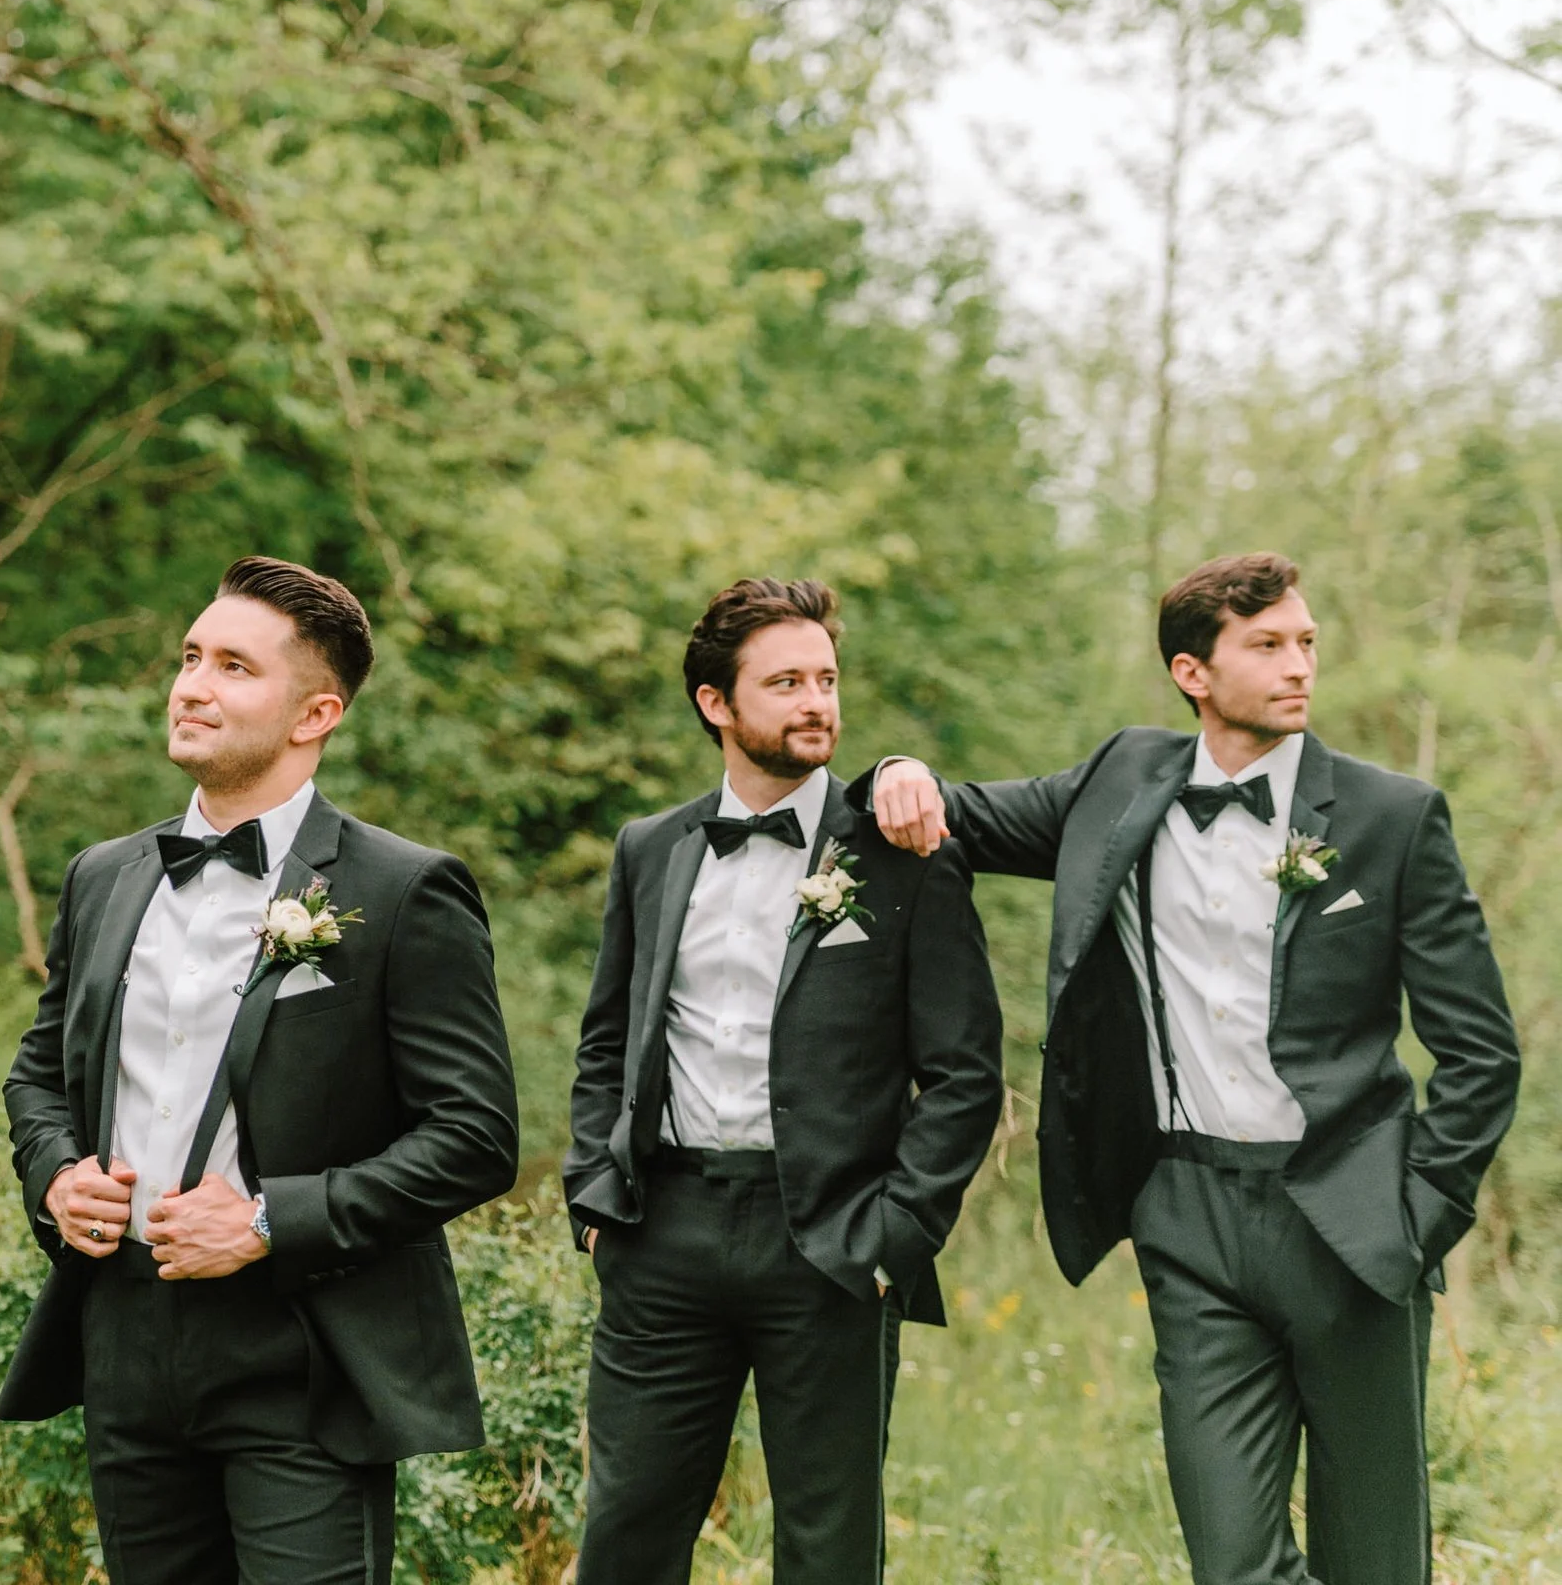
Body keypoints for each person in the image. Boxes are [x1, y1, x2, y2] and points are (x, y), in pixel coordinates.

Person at [867, 552, 1519, 1585]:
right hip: (1187, 1219)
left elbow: (1479, 1047)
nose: (1298, 663)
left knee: (1375, 1558)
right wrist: (894, 768)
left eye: (1304, 641)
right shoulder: (1118, 779)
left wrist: (1416, 1211)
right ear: (1191, 671)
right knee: (1230, 1556)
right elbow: (949, 814)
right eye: (1266, 645)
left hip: (1349, 1220)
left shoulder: (1392, 818)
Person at [0, 556, 520, 1585]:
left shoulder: (404, 889)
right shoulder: (103, 876)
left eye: (233, 665)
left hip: (304, 1345)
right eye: (190, 656)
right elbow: (37, 1073)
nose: (191, 683)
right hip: (124, 1336)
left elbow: (474, 1135)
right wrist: (55, 1173)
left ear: (313, 711)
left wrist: (269, 1218)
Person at [562, 577, 1003, 1583]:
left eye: (827, 678)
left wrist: (895, 1232)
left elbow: (965, 1073)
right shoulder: (649, 848)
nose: (818, 702)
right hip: (661, 1231)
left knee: (826, 1541)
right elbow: (606, 1038)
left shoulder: (904, 855)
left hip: (831, 1240)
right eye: (787, 681)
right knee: (625, 1526)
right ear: (716, 703)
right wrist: (594, 1192)